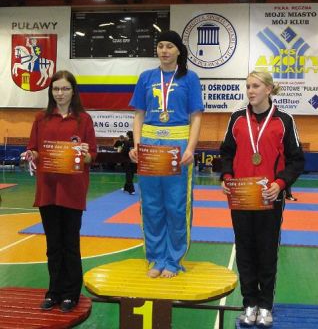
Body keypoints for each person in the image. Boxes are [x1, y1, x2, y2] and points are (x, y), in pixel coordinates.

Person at [220, 70, 304, 327]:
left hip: (270, 198)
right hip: (242, 197)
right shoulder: (236, 119)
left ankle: (265, 306)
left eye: (255, 86)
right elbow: (226, 153)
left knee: (267, 254)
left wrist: (280, 184)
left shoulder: (284, 121)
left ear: (268, 89)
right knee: (245, 252)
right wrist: (226, 177)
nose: (250, 91)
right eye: (248, 86)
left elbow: (296, 160)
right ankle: (250, 304)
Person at [128, 30, 203, 278]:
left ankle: (173, 259)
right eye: (160, 46)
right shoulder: (146, 77)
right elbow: (138, 114)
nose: (164, 51)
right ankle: (156, 257)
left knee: (176, 205)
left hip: (178, 146)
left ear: (179, 50)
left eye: (169, 46)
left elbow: (196, 116)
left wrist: (190, 148)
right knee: (151, 206)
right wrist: (137, 145)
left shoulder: (190, 78)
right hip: (150, 145)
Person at [21, 70, 97, 312]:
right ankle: (53, 292)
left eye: (65, 88)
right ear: (50, 91)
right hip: (47, 190)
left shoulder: (84, 120)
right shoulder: (40, 119)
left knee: (70, 244)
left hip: (72, 191)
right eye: (56, 89)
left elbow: (92, 155)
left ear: (73, 91)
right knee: (53, 245)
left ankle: (71, 294)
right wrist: (31, 154)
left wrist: (84, 154)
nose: (60, 93)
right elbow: (33, 148)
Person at [121, 130, 136, 194]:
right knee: (131, 174)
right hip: (135, 160)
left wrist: (121, 150)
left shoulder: (127, 142)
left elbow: (124, 151)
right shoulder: (136, 142)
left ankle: (131, 190)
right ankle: (126, 188)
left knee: (128, 175)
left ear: (128, 136)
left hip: (128, 160)